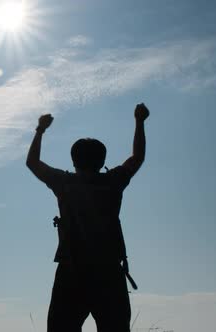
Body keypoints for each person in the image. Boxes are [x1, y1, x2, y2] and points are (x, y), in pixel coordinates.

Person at [25, 103, 150, 332]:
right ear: (102, 162)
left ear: (73, 161)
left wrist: (40, 130)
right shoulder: (113, 182)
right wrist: (139, 121)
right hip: (109, 272)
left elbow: (32, 163)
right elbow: (137, 157)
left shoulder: (64, 184)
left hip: (71, 272)